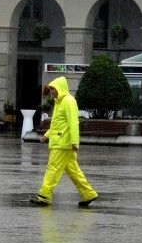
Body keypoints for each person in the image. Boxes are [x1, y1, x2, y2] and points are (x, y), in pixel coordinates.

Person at [30, 76, 98, 207]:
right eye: (51, 89)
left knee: (53, 169)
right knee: (74, 171)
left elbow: (73, 123)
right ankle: (89, 194)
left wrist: (75, 142)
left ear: (60, 88)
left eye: (53, 89)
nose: (52, 92)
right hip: (62, 142)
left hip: (62, 143)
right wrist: (47, 135)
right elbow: (57, 124)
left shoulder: (68, 101)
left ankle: (44, 196)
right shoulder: (60, 102)